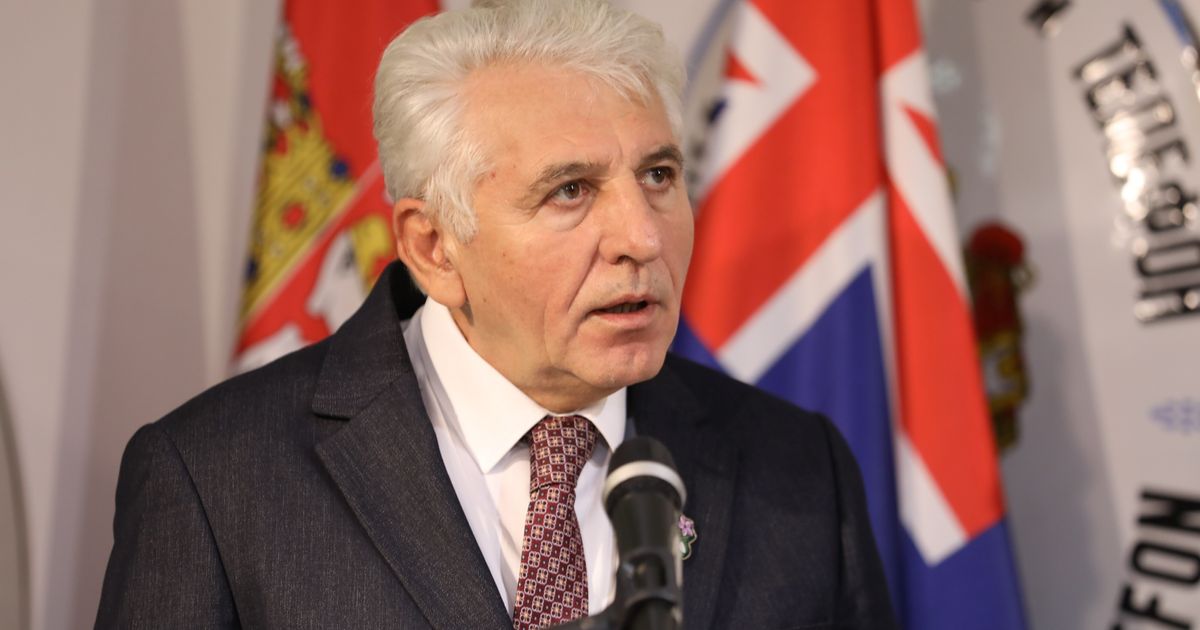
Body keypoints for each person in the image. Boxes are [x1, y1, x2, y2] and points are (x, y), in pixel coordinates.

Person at [95, 1, 897, 628]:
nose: (643, 237)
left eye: (658, 174)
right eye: (570, 191)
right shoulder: (215, 480)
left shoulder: (799, 467)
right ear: (434, 246)